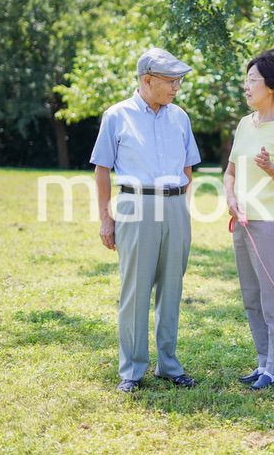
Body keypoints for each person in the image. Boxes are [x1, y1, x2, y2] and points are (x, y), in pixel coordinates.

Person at [90, 48, 201, 393]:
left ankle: (168, 365)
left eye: (179, 81)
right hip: (135, 206)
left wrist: (181, 209)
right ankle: (132, 370)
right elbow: (102, 170)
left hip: (175, 207)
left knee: (172, 289)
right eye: (171, 81)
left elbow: (188, 169)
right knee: (135, 290)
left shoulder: (180, 117)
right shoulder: (116, 115)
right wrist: (106, 219)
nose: (177, 87)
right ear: (147, 80)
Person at [224, 49, 274, 390]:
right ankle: (262, 363)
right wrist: (230, 199)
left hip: (271, 226)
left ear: (270, 86)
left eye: (252, 80)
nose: (246, 86)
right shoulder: (245, 124)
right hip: (242, 224)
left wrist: (270, 167)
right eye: (246, 80)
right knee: (251, 297)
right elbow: (229, 172)